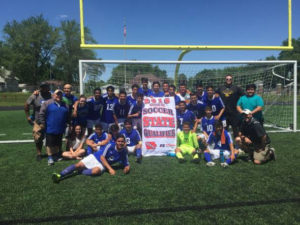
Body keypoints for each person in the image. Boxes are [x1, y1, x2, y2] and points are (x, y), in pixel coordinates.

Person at [52, 134, 130, 183]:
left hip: (102, 165)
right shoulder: (110, 145)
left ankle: (81, 171)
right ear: (116, 142)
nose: (120, 143)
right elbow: (102, 157)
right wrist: (110, 169)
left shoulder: (124, 152)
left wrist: (126, 169)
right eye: (119, 141)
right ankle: (60, 175)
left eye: (122, 141)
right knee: (78, 165)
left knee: (96, 171)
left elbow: (127, 164)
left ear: (124, 142)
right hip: (96, 157)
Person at [39, 89, 69, 166]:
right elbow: (41, 114)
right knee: (49, 143)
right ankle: (50, 157)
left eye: (60, 94)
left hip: (60, 127)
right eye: (57, 94)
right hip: (50, 127)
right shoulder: (47, 103)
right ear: (53, 95)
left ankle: (55, 155)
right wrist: (42, 123)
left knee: (58, 143)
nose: (58, 95)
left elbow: (67, 116)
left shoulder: (65, 104)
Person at [24, 82, 52, 161]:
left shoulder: (52, 95)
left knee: (51, 138)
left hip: (50, 121)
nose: (44, 88)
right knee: (38, 138)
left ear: (48, 87)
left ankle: (51, 153)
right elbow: (26, 105)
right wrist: (28, 116)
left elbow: (60, 96)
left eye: (46, 87)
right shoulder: (35, 95)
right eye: (42, 87)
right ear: (40, 88)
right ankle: (39, 153)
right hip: (38, 121)